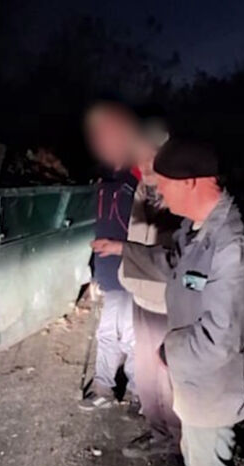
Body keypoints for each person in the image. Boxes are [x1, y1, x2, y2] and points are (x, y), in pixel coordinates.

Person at [96, 138, 244, 466]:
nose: (161, 196)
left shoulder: (233, 248)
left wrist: (169, 349)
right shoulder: (198, 229)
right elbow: (172, 264)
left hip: (214, 383)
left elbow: (223, 338)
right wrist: (123, 248)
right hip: (192, 374)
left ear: (192, 182)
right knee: (196, 459)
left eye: (165, 185)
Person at [117, 126, 187, 466]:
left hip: (166, 299)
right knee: (146, 376)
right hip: (142, 295)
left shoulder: (177, 195)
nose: (142, 162)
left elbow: (175, 255)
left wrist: (123, 254)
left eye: (149, 155)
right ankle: (158, 434)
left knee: (170, 378)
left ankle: (178, 448)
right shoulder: (142, 190)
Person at [79, 102, 138, 410]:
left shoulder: (138, 178)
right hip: (107, 269)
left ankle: (141, 391)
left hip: (133, 269)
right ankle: (104, 387)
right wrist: (91, 269)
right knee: (106, 331)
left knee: (131, 334)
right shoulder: (101, 181)